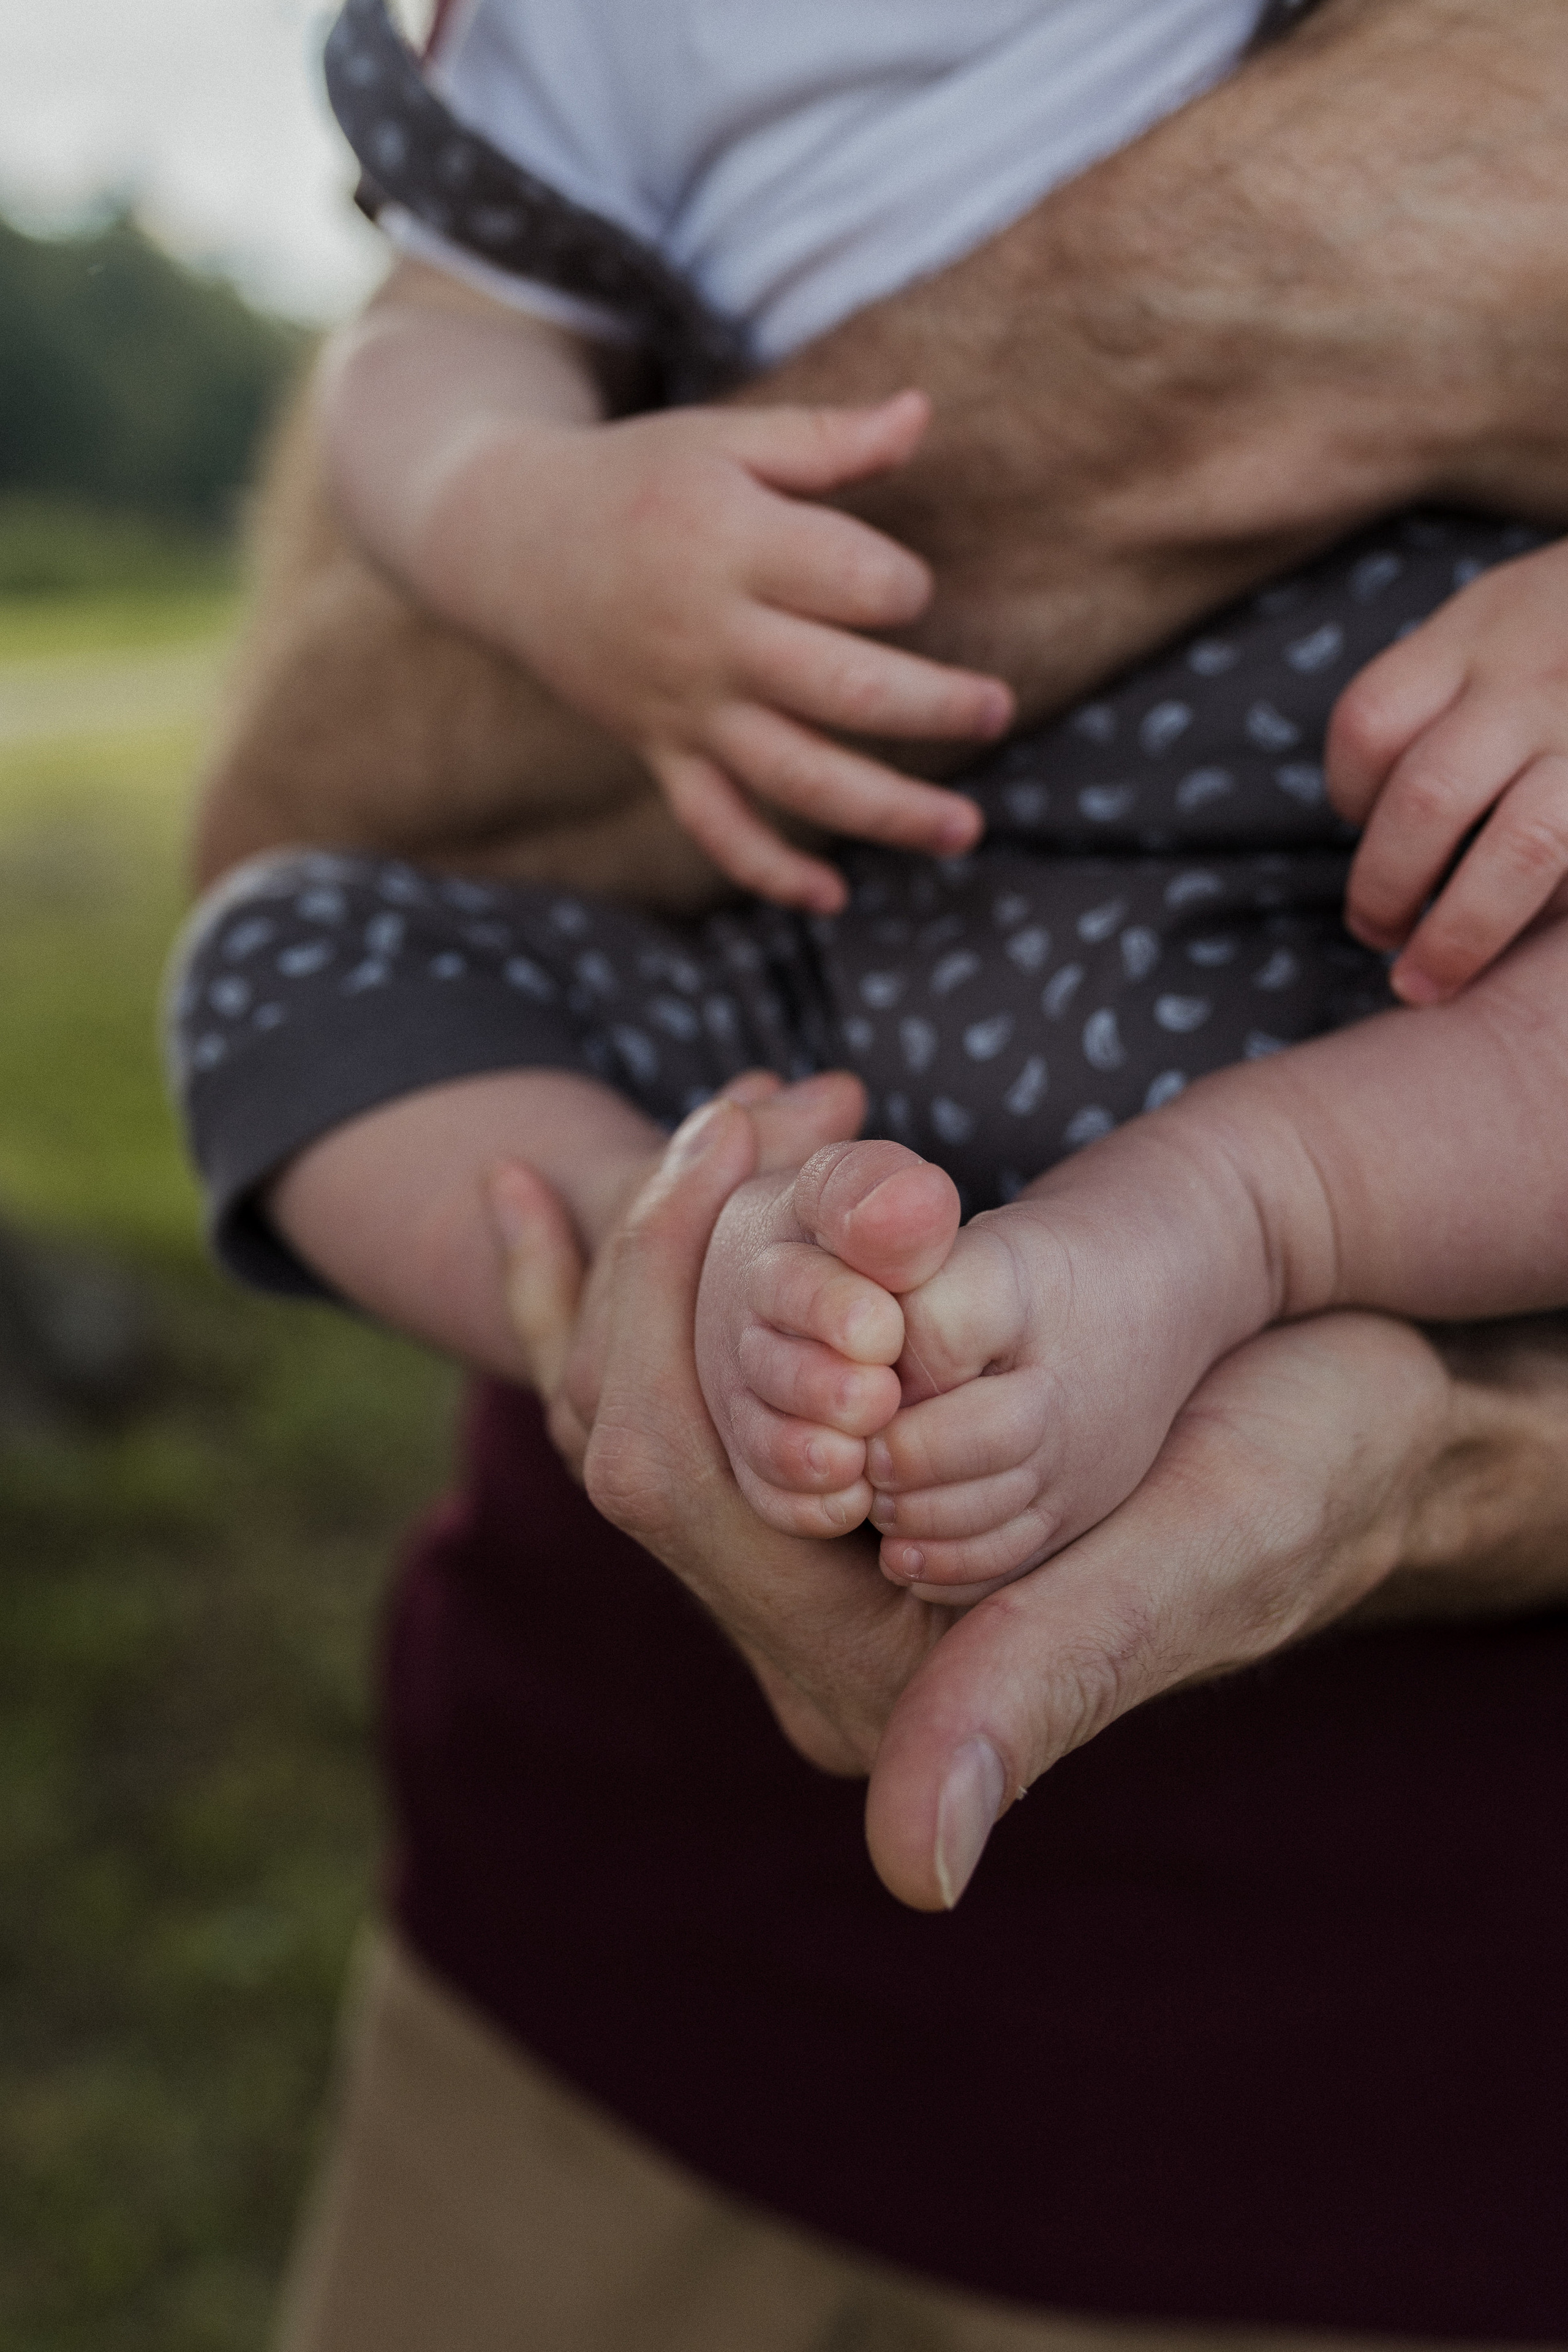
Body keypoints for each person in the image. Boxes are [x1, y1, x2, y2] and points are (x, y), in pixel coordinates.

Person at [186, 0, 1568, 2342]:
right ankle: (696, 1251)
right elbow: (430, 364)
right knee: (284, 968)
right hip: (795, 989)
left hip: (1364, 858)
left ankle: (1228, 1221)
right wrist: (537, 531)